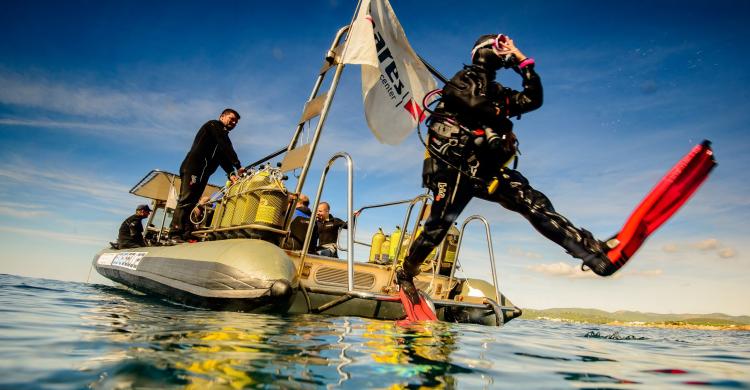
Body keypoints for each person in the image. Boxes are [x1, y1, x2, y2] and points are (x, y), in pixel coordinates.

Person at [396, 33, 616, 304]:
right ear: (483, 51)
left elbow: (532, 100)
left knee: (532, 203)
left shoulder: (499, 92)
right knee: (437, 227)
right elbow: (476, 104)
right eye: (500, 47)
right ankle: (406, 272)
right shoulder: (463, 80)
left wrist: (525, 65)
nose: (504, 53)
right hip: (453, 167)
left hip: (485, 169)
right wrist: (502, 120)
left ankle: (589, 253)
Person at [170, 108, 244, 242]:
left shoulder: (221, 137)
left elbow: (222, 156)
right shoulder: (213, 125)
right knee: (186, 200)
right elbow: (225, 145)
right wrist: (238, 165)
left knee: (193, 202)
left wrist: (231, 173)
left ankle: (185, 233)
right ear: (222, 116)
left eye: (236, 122)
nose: (233, 123)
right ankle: (174, 233)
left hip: (204, 173)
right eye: (231, 119)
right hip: (193, 168)